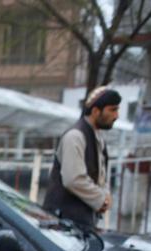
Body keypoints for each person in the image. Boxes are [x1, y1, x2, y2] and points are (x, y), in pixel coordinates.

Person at [43, 86, 122, 231]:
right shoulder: (75, 136)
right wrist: (101, 199)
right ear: (95, 111)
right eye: (112, 110)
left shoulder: (97, 137)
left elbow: (100, 176)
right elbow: (73, 179)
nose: (116, 115)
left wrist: (105, 195)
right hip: (62, 223)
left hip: (79, 221)